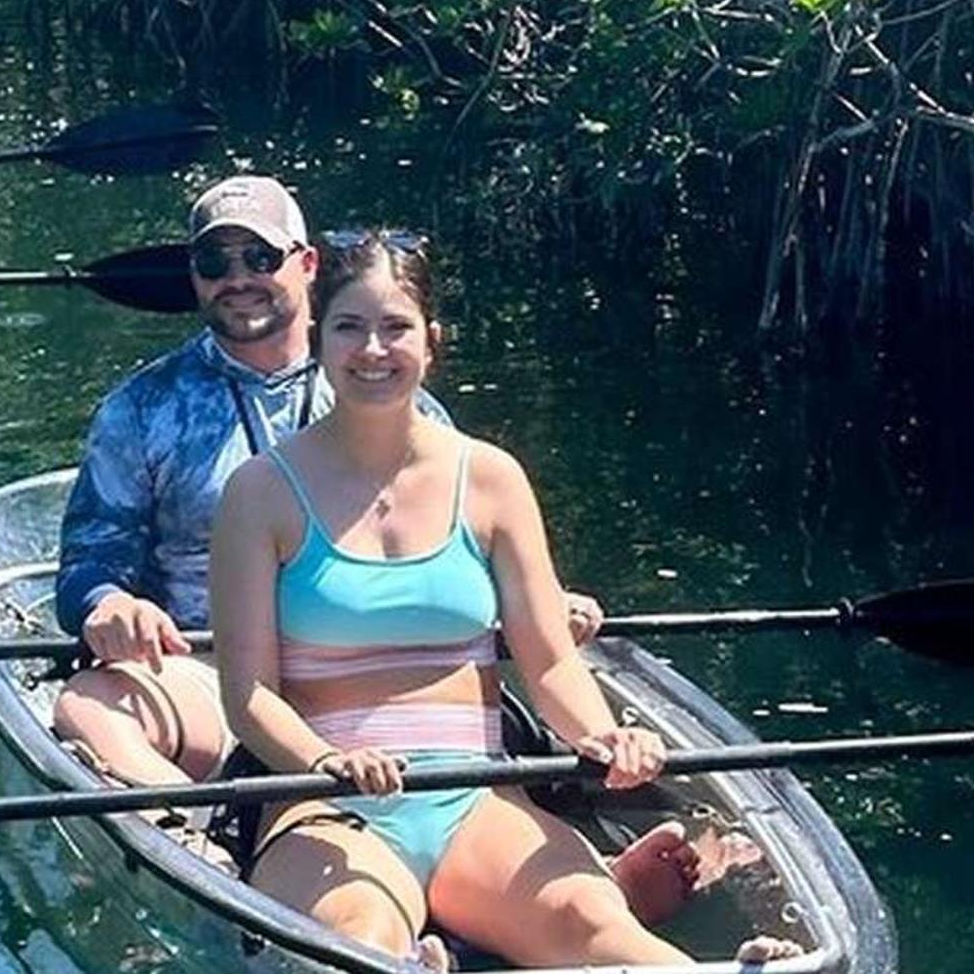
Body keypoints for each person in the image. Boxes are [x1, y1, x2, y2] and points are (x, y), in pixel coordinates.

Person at [50, 176, 699, 925]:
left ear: (306, 265)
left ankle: (569, 874)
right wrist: (109, 605)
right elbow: (90, 554)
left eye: (258, 255)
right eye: (214, 261)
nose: (237, 278)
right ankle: (191, 845)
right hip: (204, 664)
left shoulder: (396, 389)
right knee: (86, 702)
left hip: (387, 683)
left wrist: (539, 605)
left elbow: (453, 552)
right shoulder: (142, 406)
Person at [207, 232, 801, 970]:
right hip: (326, 803)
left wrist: (604, 736)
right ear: (321, 340)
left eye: (395, 327)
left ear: (432, 340)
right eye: (349, 327)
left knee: (600, 928)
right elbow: (250, 696)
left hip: (472, 795)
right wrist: (327, 759)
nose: (372, 350)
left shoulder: (492, 479)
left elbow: (550, 659)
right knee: (360, 942)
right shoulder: (259, 493)